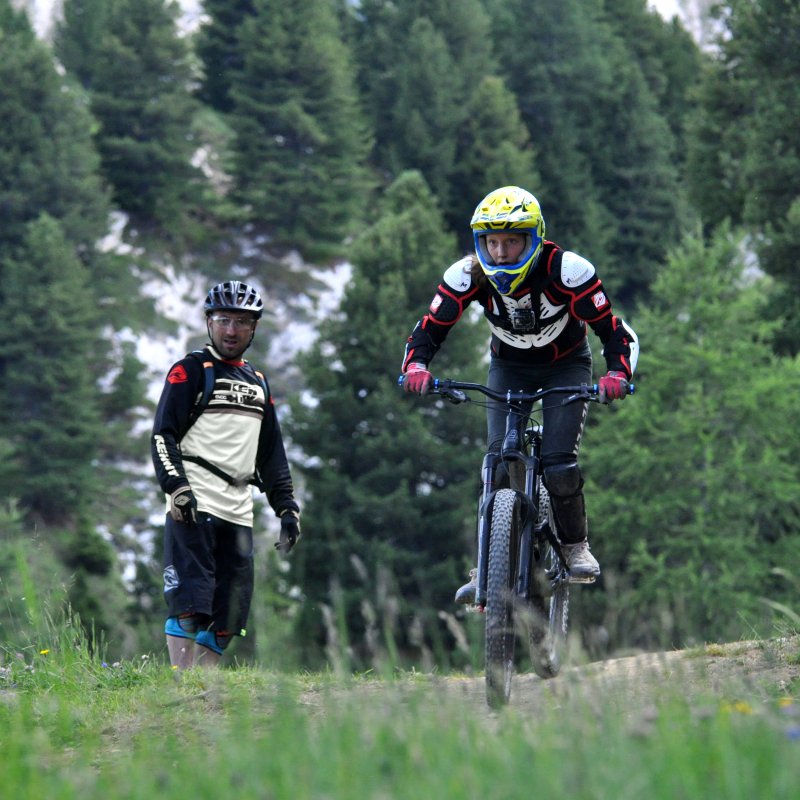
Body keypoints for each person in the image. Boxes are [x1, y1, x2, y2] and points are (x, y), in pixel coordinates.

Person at [401, 186, 638, 599]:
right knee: (496, 461)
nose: (502, 252)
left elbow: (612, 330)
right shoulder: (467, 274)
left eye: (512, 240)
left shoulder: (568, 270)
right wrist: (416, 366)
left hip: (567, 363)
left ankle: (574, 545)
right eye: (492, 242)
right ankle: (489, 563)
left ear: (534, 237)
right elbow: (429, 330)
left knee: (560, 463)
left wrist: (617, 373)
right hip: (508, 367)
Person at [151, 280, 300, 669]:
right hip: (194, 500)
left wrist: (287, 509)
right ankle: (184, 687)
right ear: (208, 323)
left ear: (254, 329)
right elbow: (163, 435)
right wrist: (177, 487)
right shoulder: (190, 370)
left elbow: (271, 455)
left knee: (229, 616)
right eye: (223, 320)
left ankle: (202, 692)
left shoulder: (259, 382)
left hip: (238, 506)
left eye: (242, 322)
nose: (231, 330)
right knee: (191, 603)